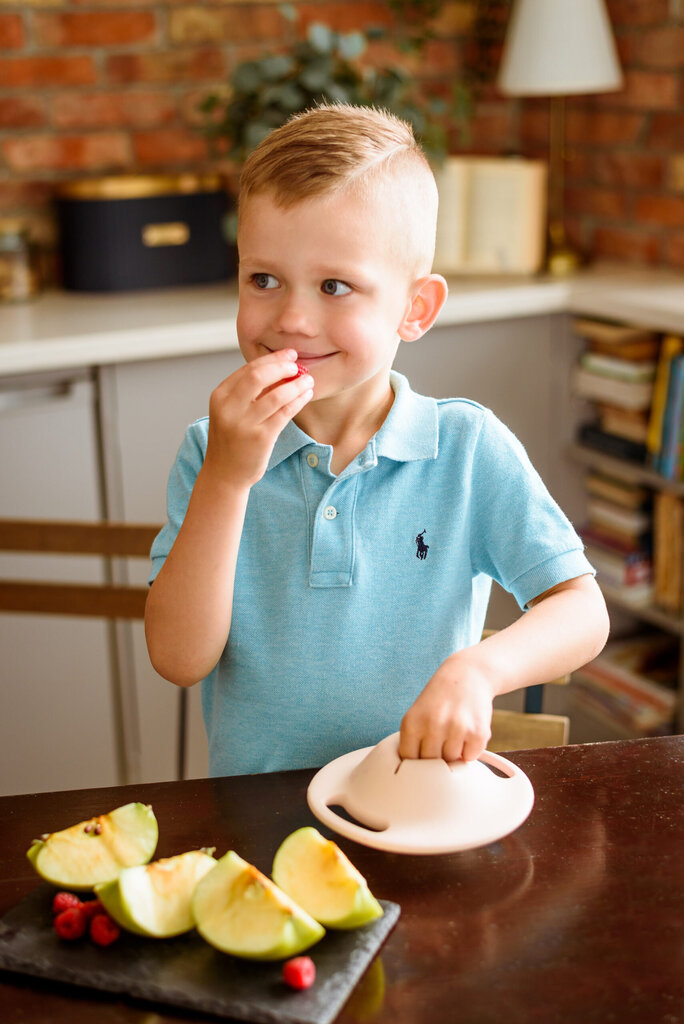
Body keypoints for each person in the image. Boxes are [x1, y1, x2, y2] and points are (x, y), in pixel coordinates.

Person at [145, 103, 609, 777]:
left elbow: (581, 611)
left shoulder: (467, 449)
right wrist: (226, 478)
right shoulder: (210, 450)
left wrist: (479, 670)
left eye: (336, 286)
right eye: (263, 279)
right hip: (257, 827)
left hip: (418, 811)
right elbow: (178, 661)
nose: (293, 319)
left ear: (415, 309)